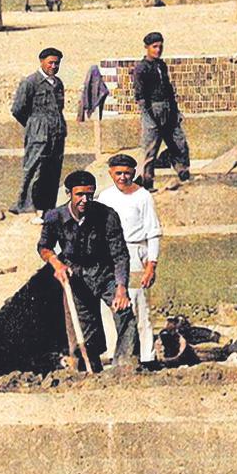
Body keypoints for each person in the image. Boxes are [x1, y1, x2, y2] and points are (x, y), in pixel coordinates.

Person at [38, 170, 134, 372]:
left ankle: (126, 365)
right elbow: (44, 247)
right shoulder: (54, 217)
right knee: (82, 326)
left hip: (104, 272)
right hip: (75, 276)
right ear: (69, 193)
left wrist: (121, 288)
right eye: (80, 194)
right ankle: (89, 369)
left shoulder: (107, 215)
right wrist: (57, 263)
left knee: (124, 311)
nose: (85, 200)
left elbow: (120, 254)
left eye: (90, 194)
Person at [97, 154, 161, 368]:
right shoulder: (104, 197)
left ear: (134, 173)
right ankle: (116, 355)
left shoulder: (143, 197)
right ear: (110, 173)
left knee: (139, 306)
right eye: (118, 173)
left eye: (127, 173)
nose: (123, 177)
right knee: (110, 306)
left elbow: (153, 232)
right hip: (109, 255)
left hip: (135, 253)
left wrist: (151, 265)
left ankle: (146, 356)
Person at [11, 47, 67, 217]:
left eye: (57, 63)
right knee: (34, 170)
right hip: (39, 134)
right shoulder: (30, 82)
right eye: (50, 62)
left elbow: (59, 107)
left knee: (53, 170)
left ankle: (47, 207)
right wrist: (33, 125)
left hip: (56, 133)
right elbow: (18, 109)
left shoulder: (58, 83)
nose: (54, 66)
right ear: (41, 62)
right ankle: (28, 207)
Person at [133, 32, 191, 190]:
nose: (158, 50)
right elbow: (140, 95)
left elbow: (168, 89)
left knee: (179, 142)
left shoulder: (161, 65)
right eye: (155, 47)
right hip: (152, 109)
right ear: (147, 48)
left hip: (168, 109)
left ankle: (183, 172)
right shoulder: (141, 68)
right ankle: (147, 181)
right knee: (150, 148)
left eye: (160, 46)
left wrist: (175, 111)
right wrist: (149, 117)